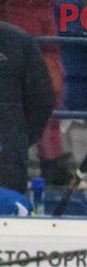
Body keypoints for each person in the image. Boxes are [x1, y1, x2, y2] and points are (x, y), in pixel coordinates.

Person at [0, 0, 74, 185]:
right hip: (9, 7)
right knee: (12, 88)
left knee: (52, 87)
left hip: (45, 7)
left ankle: (52, 160)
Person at [0, 21, 56, 194]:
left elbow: (42, 100)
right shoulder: (18, 39)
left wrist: (16, 138)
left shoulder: (17, 41)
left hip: (7, 162)